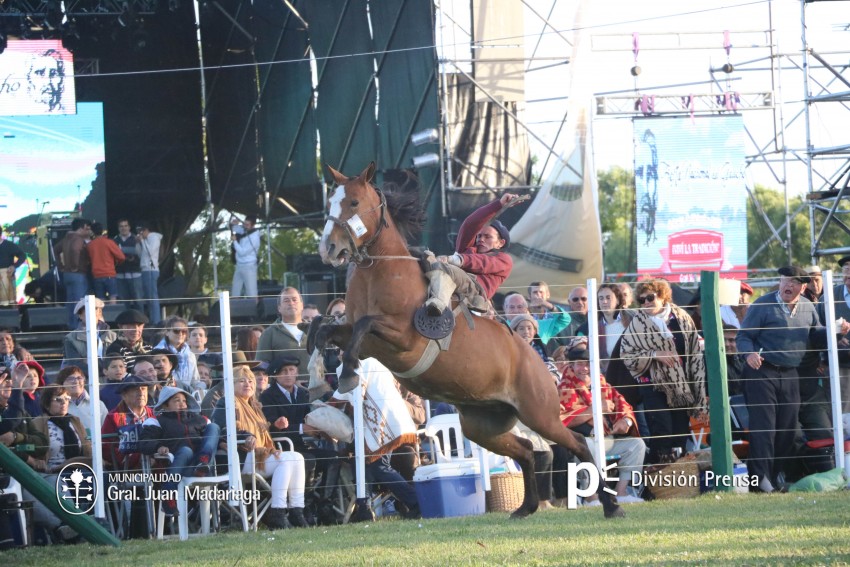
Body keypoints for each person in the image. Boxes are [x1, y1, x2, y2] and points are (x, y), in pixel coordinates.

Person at [736, 266, 836, 492]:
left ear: (803, 286)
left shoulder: (809, 307)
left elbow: (816, 334)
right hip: (761, 371)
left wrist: (836, 330)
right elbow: (744, 336)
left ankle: (773, 477)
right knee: (765, 428)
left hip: (791, 372)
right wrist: (749, 354)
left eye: (793, 282)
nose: (787, 286)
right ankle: (760, 480)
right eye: (784, 281)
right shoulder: (763, 305)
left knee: (789, 429)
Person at [305, 357, 421, 519]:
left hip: (383, 424)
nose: (340, 353)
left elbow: (349, 393)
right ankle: (364, 508)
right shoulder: (373, 363)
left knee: (379, 466)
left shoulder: (360, 365)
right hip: (389, 422)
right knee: (364, 463)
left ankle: (414, 502)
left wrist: (316, 416)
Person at [619, 279, 707, 463]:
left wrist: (696, 386)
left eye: (650, 297)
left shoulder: (682, 317)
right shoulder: (636, 324)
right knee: (662, 430)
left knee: (680, 431)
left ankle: (680, 478)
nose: (646, 303)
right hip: (652, 385)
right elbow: (626, 355)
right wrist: (654, 354)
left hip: (681, 385)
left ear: (662, 296)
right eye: (642, 300)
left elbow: (694, 352)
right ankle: (660, 476)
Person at [213, 365, 308, 529]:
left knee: (297, 457)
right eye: (241, 381)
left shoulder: (254, 406)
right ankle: (278, 512)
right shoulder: (227, 402)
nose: (247, 384)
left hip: (259, 455)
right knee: (285, 460)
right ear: (231, 384)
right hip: (240, 456)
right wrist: (245, 437)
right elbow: (223, 428)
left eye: (250, 381)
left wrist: (275, 426)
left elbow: (262, 432)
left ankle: (296, 510)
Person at [557, 345, 646, 504]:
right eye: (579, 364)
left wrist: (624, 421)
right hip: (581, 440)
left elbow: (622, 404)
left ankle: (621, 493)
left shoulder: (602, 383)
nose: (584, 368)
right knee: (588, 446)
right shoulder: (565, 386)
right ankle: (592, 497)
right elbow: (564, 419)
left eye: (588, 363)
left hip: (607, 439)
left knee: (637, 445)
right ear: (572, 366)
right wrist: (595, 409)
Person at [424, 193, 522, 316]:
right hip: (459, 283)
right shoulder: (469, 250)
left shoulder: (504, 260)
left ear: (500, 243)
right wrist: (498, 204)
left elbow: (483, 263)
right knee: (426, 259)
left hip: (476, 290)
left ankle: (437, 307)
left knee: (446, 269)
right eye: (479, 236)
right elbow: (470, 225)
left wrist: (454, 259)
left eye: (487, 237)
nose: (481, 239)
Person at [138, 386, 220, 515]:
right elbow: (144, 442)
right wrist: (158, 446)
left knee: (214, 427)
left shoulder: (200, 419)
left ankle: (202, 462)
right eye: (177, 400)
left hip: (203, 466)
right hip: (178, 467)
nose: (182, 404)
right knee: (186, 451)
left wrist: (226, 442)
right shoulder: (156, 421)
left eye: (184, 400)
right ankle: (168, 493)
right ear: (165, 405)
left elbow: (214, 440)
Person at [28, 385, 92, 537]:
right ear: (46, 403)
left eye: (66, 399)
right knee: (61, 481)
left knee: (89, 477)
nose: (64, 402)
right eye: (58, 399)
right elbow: (36, 454)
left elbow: (87, 450)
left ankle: (84, 526)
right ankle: (73, 527)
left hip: (76, 466)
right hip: (50, 471)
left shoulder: (74, 421)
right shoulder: (38, 423)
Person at [101, 375, 155, 472]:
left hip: (154, 468)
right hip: (125, 471)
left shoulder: (153, 414)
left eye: (143, 389)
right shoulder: (113, 417)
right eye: (135, 389)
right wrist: (134, 459)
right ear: (124, 395)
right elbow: (105, 447)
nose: (141, 393)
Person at [256, 288, 310, 373]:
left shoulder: (314, 330)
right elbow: (261, 368)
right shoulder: (269, 334)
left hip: (315, 386)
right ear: (279, 308)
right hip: (284, 386)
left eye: (294, 300)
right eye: (286, 300)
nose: (291, 303)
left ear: (302, 305)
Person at [61, 297, 117, 376]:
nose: (90, 314)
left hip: (110, 380)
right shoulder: (70, 338)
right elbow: (76, 366)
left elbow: (116, 361)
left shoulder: (112, 336)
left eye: (93, 310)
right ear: (80, 316)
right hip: (85, 382)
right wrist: (105, 370)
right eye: (86, 311)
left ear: (100, 313)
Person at [0, 366, 47, 460]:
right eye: (4, 379)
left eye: (10, 379)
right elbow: (11, 421)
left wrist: (18, 437)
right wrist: (27, 459)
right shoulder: (16, 411)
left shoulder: (22, 412)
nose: (9, 382)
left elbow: (42, 445)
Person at [53, 217, 92, 329]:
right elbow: (75, 250)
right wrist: (75, 265)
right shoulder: (78, 239)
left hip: (67, 274)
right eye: (87, 228)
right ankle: (79, 328)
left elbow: (55, 249)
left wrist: (60, 265)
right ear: (83, 227)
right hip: (78, 273)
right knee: (79, 302)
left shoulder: (66, 238)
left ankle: (71, 326)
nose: (88, 231)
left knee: (70, 301)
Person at [502, 293, 570, 346]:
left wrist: (549, 306)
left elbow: (565, 319)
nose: (516, 310)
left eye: (520, 307)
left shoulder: (542, 325)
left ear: (526, 309)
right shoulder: (500, 328)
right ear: (505, 309)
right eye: (511, 307)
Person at [154, 316, 201, 392]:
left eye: (184, 331)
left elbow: (195, 381)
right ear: (167, 332)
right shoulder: (157, 352)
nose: (180, 334)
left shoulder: (190, 355)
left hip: (186, 395)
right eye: (176, 331)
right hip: (164, 394)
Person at [57, 366, 108, 434]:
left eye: (79, 378)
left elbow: (107, 432)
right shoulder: (57, 406)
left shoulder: (98, 405)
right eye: (70, 379)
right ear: (62, 383)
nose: (75, 381)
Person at [87, 221, 126, 304]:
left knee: (100, 299)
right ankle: (112, 316)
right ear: (102, 231)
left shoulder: (90, 245)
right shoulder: (109, 242)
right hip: (109, 274)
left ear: (92, 232)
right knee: (113, 296)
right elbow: (121, 257)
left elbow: (88, 260)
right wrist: (115, 263)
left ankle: (101, 315)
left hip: (97, 275)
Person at [105, 309, 152, 373]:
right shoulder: (115, 349)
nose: (136, 329)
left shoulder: (148, 346)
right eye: (131, 326)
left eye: (139, 325)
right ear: (121, 327)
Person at [135, 220, 162, 326]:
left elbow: (150, 252)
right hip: (144, 269)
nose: (140, 234)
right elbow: (140, 254)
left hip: (151, 269)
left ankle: (156, 321)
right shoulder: (145, 240)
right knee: (148, 296)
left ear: (146, 230)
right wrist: (138, 243)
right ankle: (152, 319)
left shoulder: (154, 237)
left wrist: (142, 241)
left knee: (152, 296)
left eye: (141, 231)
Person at [547, 286, 589, 354]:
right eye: (575, 299)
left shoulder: (598, 320)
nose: (580, 302)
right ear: (569, 302)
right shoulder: (561, 323)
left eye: (584, 299)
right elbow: (556, 353)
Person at [114, 219, 144, 311]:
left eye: (126, 226)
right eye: (121, 226)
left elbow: (142, 255)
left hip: (135, 274)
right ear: (118, 228)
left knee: (138, 301)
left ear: (129, 227)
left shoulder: (136, 239)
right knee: (123, 302)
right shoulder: (114, 241)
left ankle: (140, 322)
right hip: (120, 275)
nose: (124, 228)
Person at [231, 215, 261, 300]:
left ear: (253, 225)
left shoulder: (255, 237)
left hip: (249, 266)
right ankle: (235, 310)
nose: (245, 226)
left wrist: (235, 241)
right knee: (235, 292)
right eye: (244, 224)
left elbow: (242, 252)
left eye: (247, 225)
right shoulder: (244, 230)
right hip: (239, 265)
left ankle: (254, 311)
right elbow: (233, 228)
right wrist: (233, 224)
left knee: (251, 293)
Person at [0, 227, 26, 306]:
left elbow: (22, 255)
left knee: (7, 302)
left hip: (6, 274)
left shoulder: (9, 245)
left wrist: (14, 266)